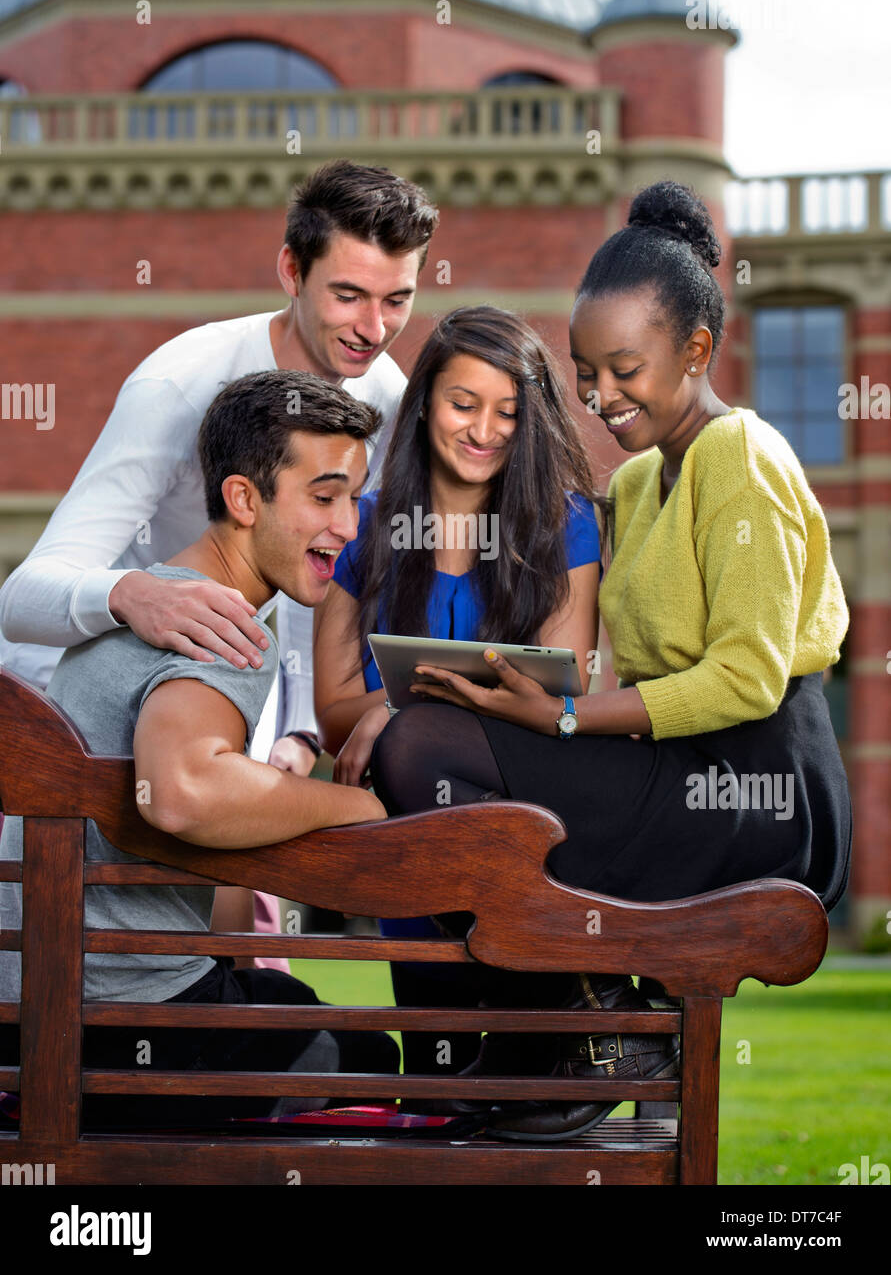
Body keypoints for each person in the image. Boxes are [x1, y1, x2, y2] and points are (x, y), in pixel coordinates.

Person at [368, 181, 853, 1141]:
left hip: (755, 788)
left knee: (425, 750)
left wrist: (558, 719)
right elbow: (563, 583)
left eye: (623, 368)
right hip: (672, 764)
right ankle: (547, 1030)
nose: (600, 396)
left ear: (697, 350)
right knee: (422, 744)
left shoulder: (739, 456)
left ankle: (595, 1025)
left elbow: (746, 677)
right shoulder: (637, 478)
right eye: (584, 372)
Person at [0, 159, 438, 965]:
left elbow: (324, 583)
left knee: (242, 960)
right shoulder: (179, 381)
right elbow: (22, 595)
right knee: (71, 970)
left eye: (396, 300)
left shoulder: (384, 396)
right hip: (67, 714)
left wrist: (301, 729)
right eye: (347, 295)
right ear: (290, 271)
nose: (372, 328)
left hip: (216, 697)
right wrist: (137, 596)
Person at [0, 370, 399, 1129]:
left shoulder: (160, 596)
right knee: (374, 1058)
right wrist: (360, 804)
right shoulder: (221, 629)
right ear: (245, 500)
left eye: (354, 496)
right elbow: (181, 792)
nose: (349, 525)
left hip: (37, 1006)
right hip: (114, 1030)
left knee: (290, 1006)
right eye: (323, 497)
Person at [312, 305, 605, 1073]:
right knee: (436, 1070)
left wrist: (405, 704)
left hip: (521, 834)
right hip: (403, 855)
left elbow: (555, 691)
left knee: (520, 1078)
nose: (485, 430)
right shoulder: (365, 533)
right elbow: (336, 715)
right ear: (425, 407)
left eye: (509, 411)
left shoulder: (565, 528)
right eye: (462, 404)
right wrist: (391, 711)